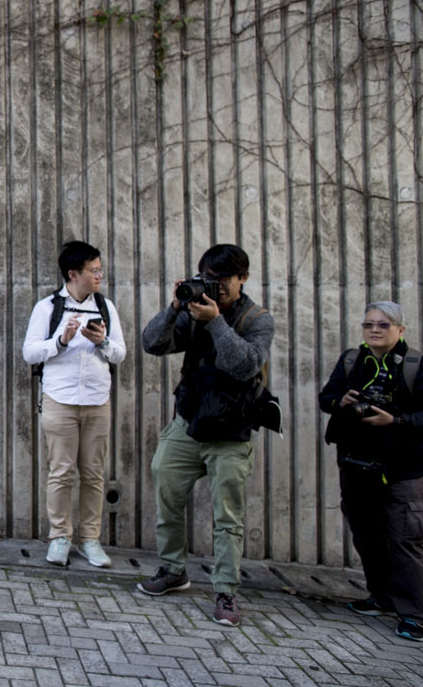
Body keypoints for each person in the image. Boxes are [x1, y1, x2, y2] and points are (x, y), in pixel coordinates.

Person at [137, 244, 274, 627]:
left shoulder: (257, 319)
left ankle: (226, 590)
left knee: (226, 514)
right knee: (166, 487)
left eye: (223, 280)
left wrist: (215, 322)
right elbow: (152, 344)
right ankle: (173, 570)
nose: (215, 287)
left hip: (231, 431)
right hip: (189, 422)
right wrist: (175, 308)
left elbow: (244, 365)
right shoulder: (194, 311)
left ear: (242, 278)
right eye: (207, 279)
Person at [319, 301, 423, 642]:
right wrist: (344, 401)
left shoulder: (416, 365)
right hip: (356, 464)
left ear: (400, 330)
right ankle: (381, 597)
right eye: (369, 325)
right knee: (367, 535)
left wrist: (393, 420)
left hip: (403, 469)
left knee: (406, 540)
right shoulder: (352, 360)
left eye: (383, 325)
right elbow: (327, 398)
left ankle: (414, 614)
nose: (375, 330)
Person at [23, 240, 126, 568]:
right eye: (93, 271)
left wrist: (104, 341)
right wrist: (61, 340)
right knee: (61, 472)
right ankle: (59, 538)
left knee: (94, 473)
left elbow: (120, 354)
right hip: (60, 399)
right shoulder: (48, 308)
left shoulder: (105, 307)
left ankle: (91, 540)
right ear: (73, 274)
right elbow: (29, 352)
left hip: (98, 400)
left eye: (99, 270)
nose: (99, 276)